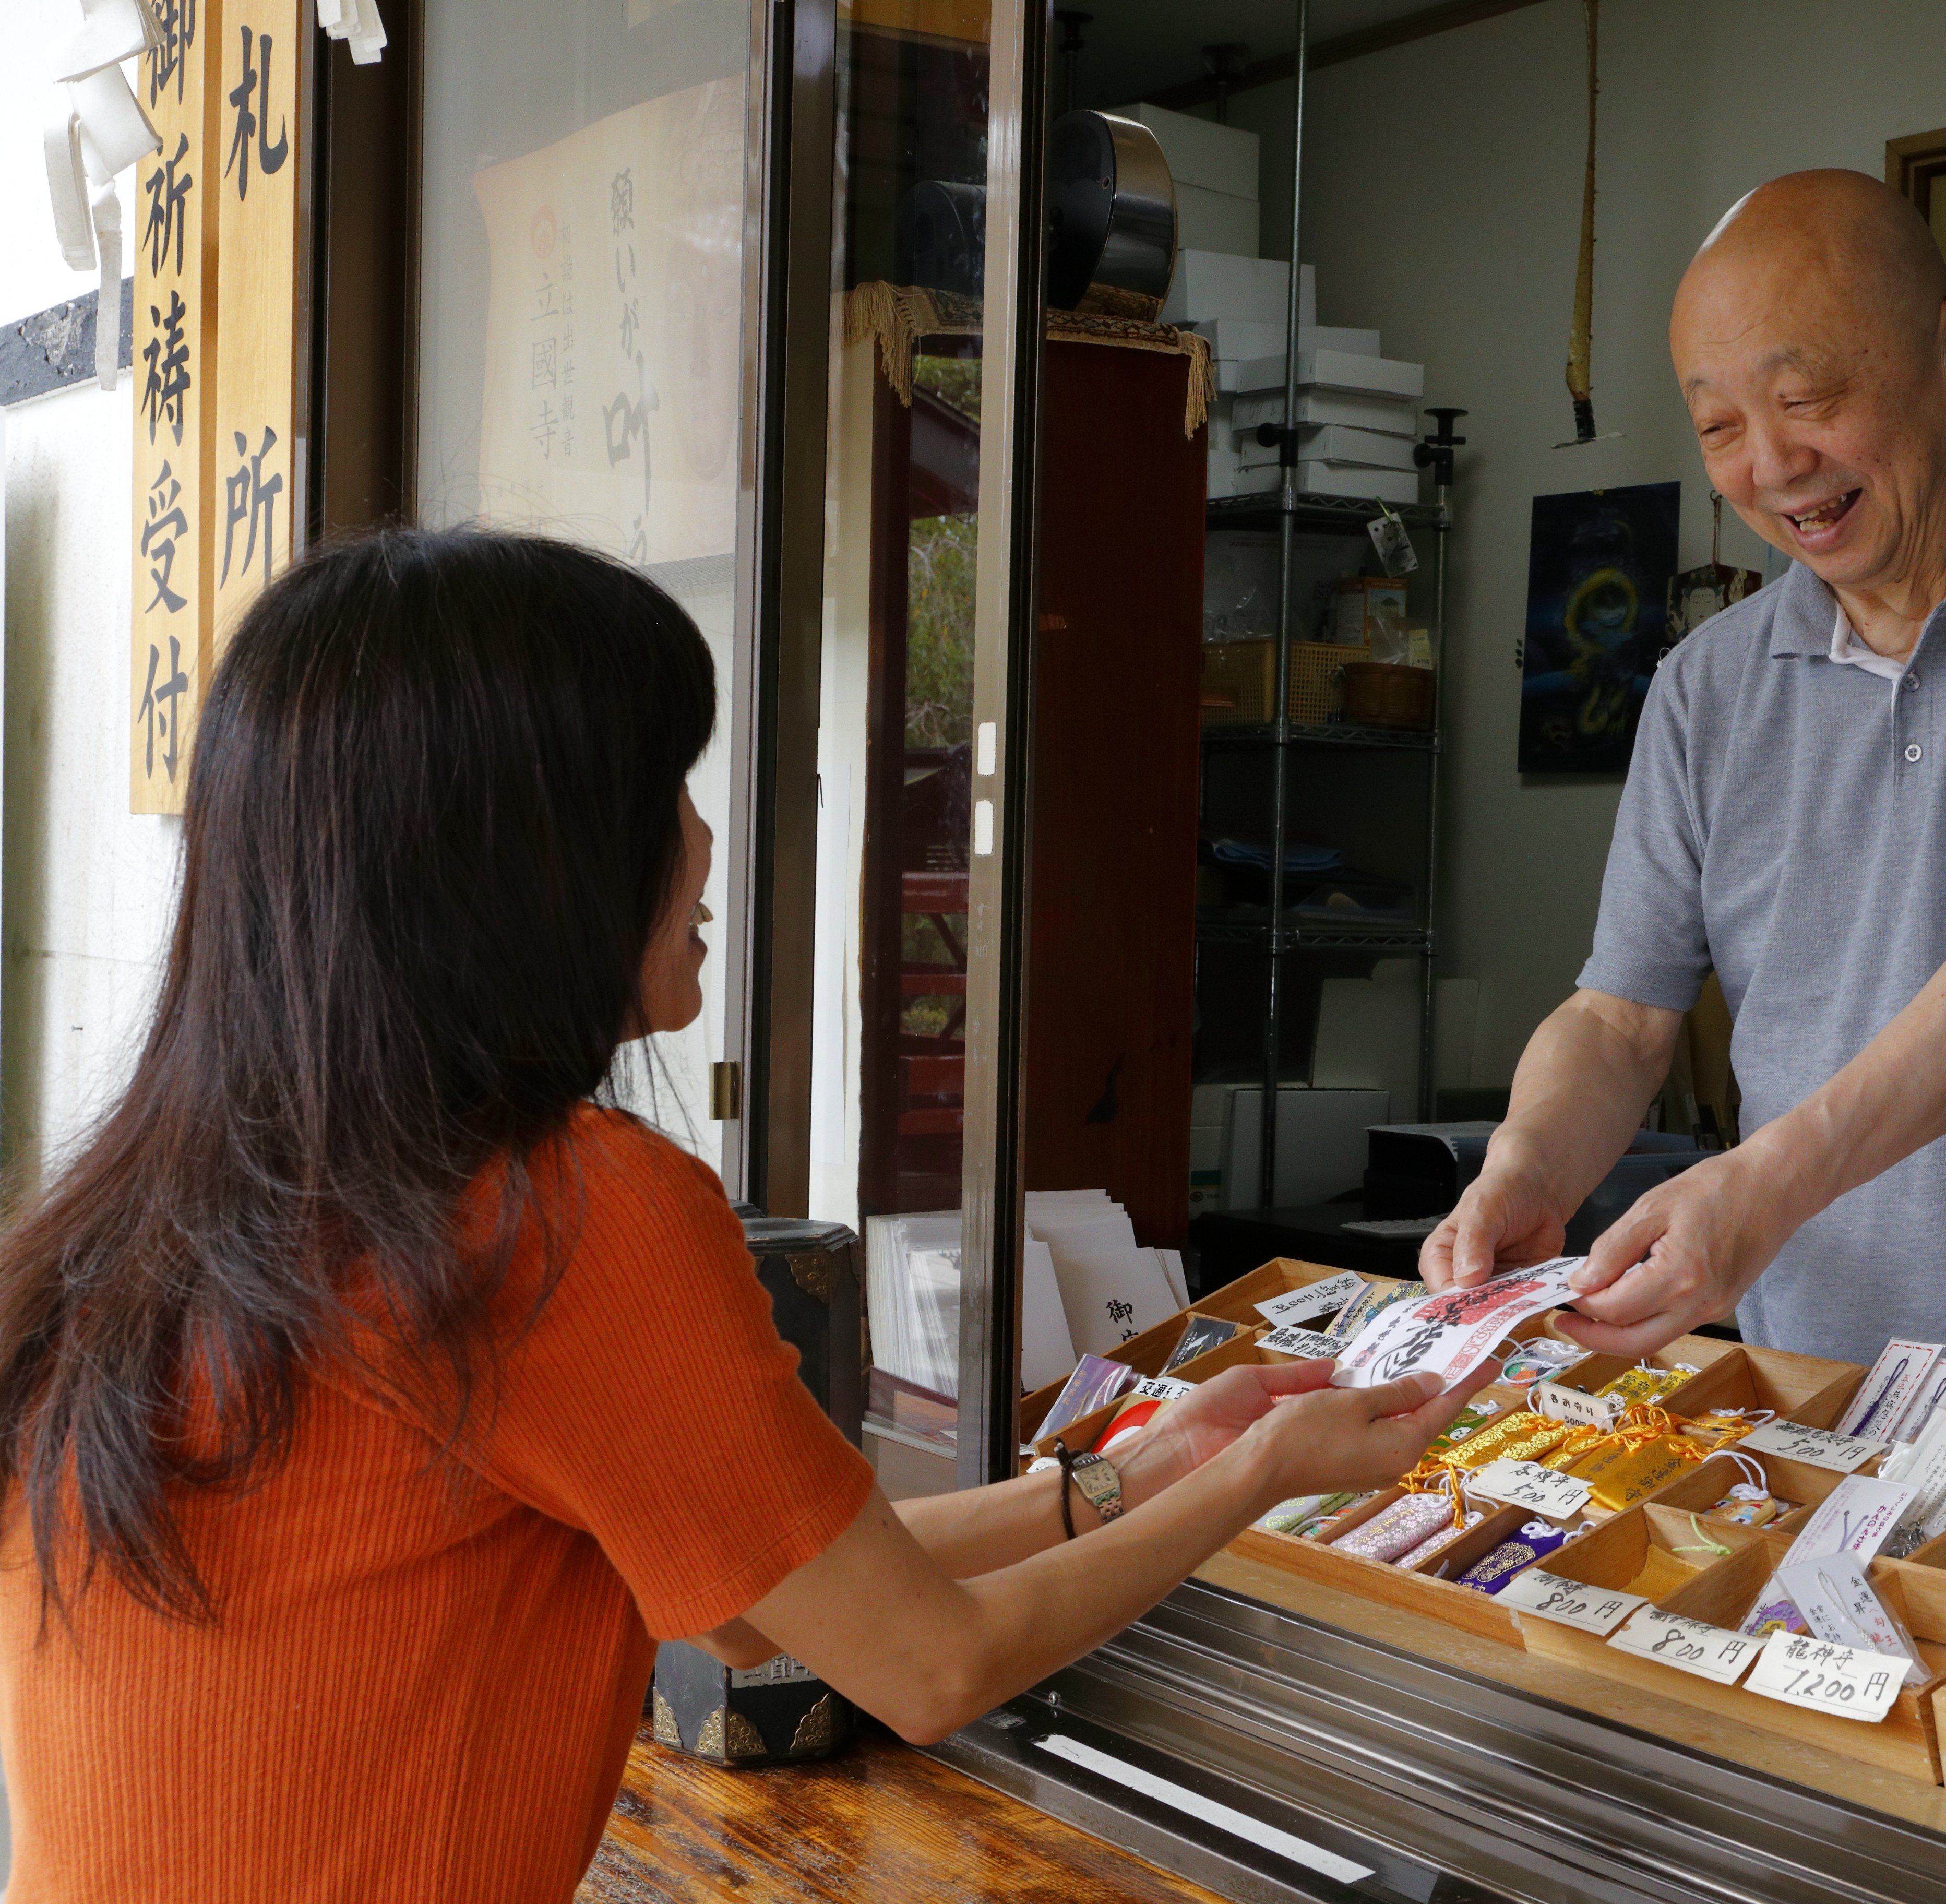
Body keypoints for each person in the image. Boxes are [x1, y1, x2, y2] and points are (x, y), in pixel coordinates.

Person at [0, 529, 1472, 1902]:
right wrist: (1260, 1474)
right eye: (664, 792)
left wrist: (1128, 1478)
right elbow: (926, 1667)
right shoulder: (556, 1216)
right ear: (525, 858)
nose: (704, 845)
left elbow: (755, 1600)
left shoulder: (158, 1205)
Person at [1424, 170, 1946, 1379]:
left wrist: (1765, 1181)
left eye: (1808, 398)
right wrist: (1527, 1165)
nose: (1773, 465)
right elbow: (1620, 1017)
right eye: (1719, 427)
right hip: (1824, 1397)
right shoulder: (1707, 685)